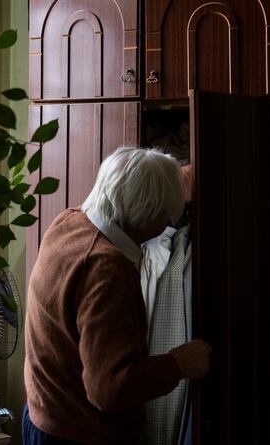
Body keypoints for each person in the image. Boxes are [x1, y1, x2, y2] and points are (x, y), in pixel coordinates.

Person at [23, 147, 211, 445]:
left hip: (42, 416)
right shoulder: (108, 268)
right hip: (79, 434)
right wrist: (179, 363)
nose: (169, 220)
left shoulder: (68, 222)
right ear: (148, 213)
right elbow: (110, 389)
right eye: (167, 212)